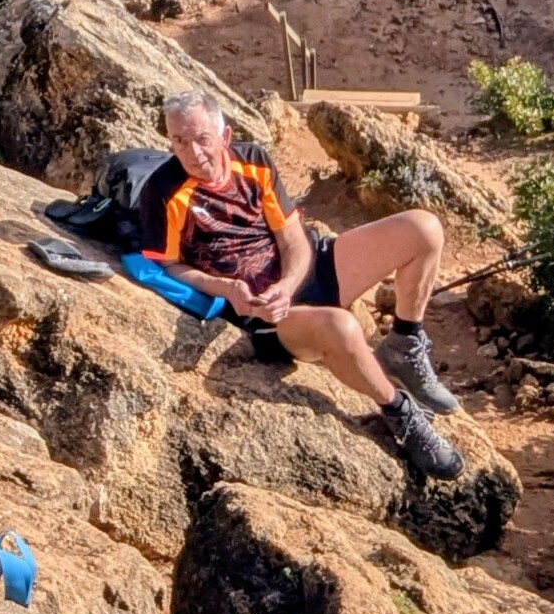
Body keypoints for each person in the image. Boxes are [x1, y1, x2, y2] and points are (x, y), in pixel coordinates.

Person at [138, 92, 466, 479]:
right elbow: (168, 267)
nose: (192, 152)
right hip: (268, 313)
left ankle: (405, 344)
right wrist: (226, 289)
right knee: (343, 329)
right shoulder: (162, 192)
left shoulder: (253, 161)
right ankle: (401, 412)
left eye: (201, 139)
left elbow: (291, 237)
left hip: (307, 268)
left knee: (423, 228)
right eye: (179, 141)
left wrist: (289, 282)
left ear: (224, 136)